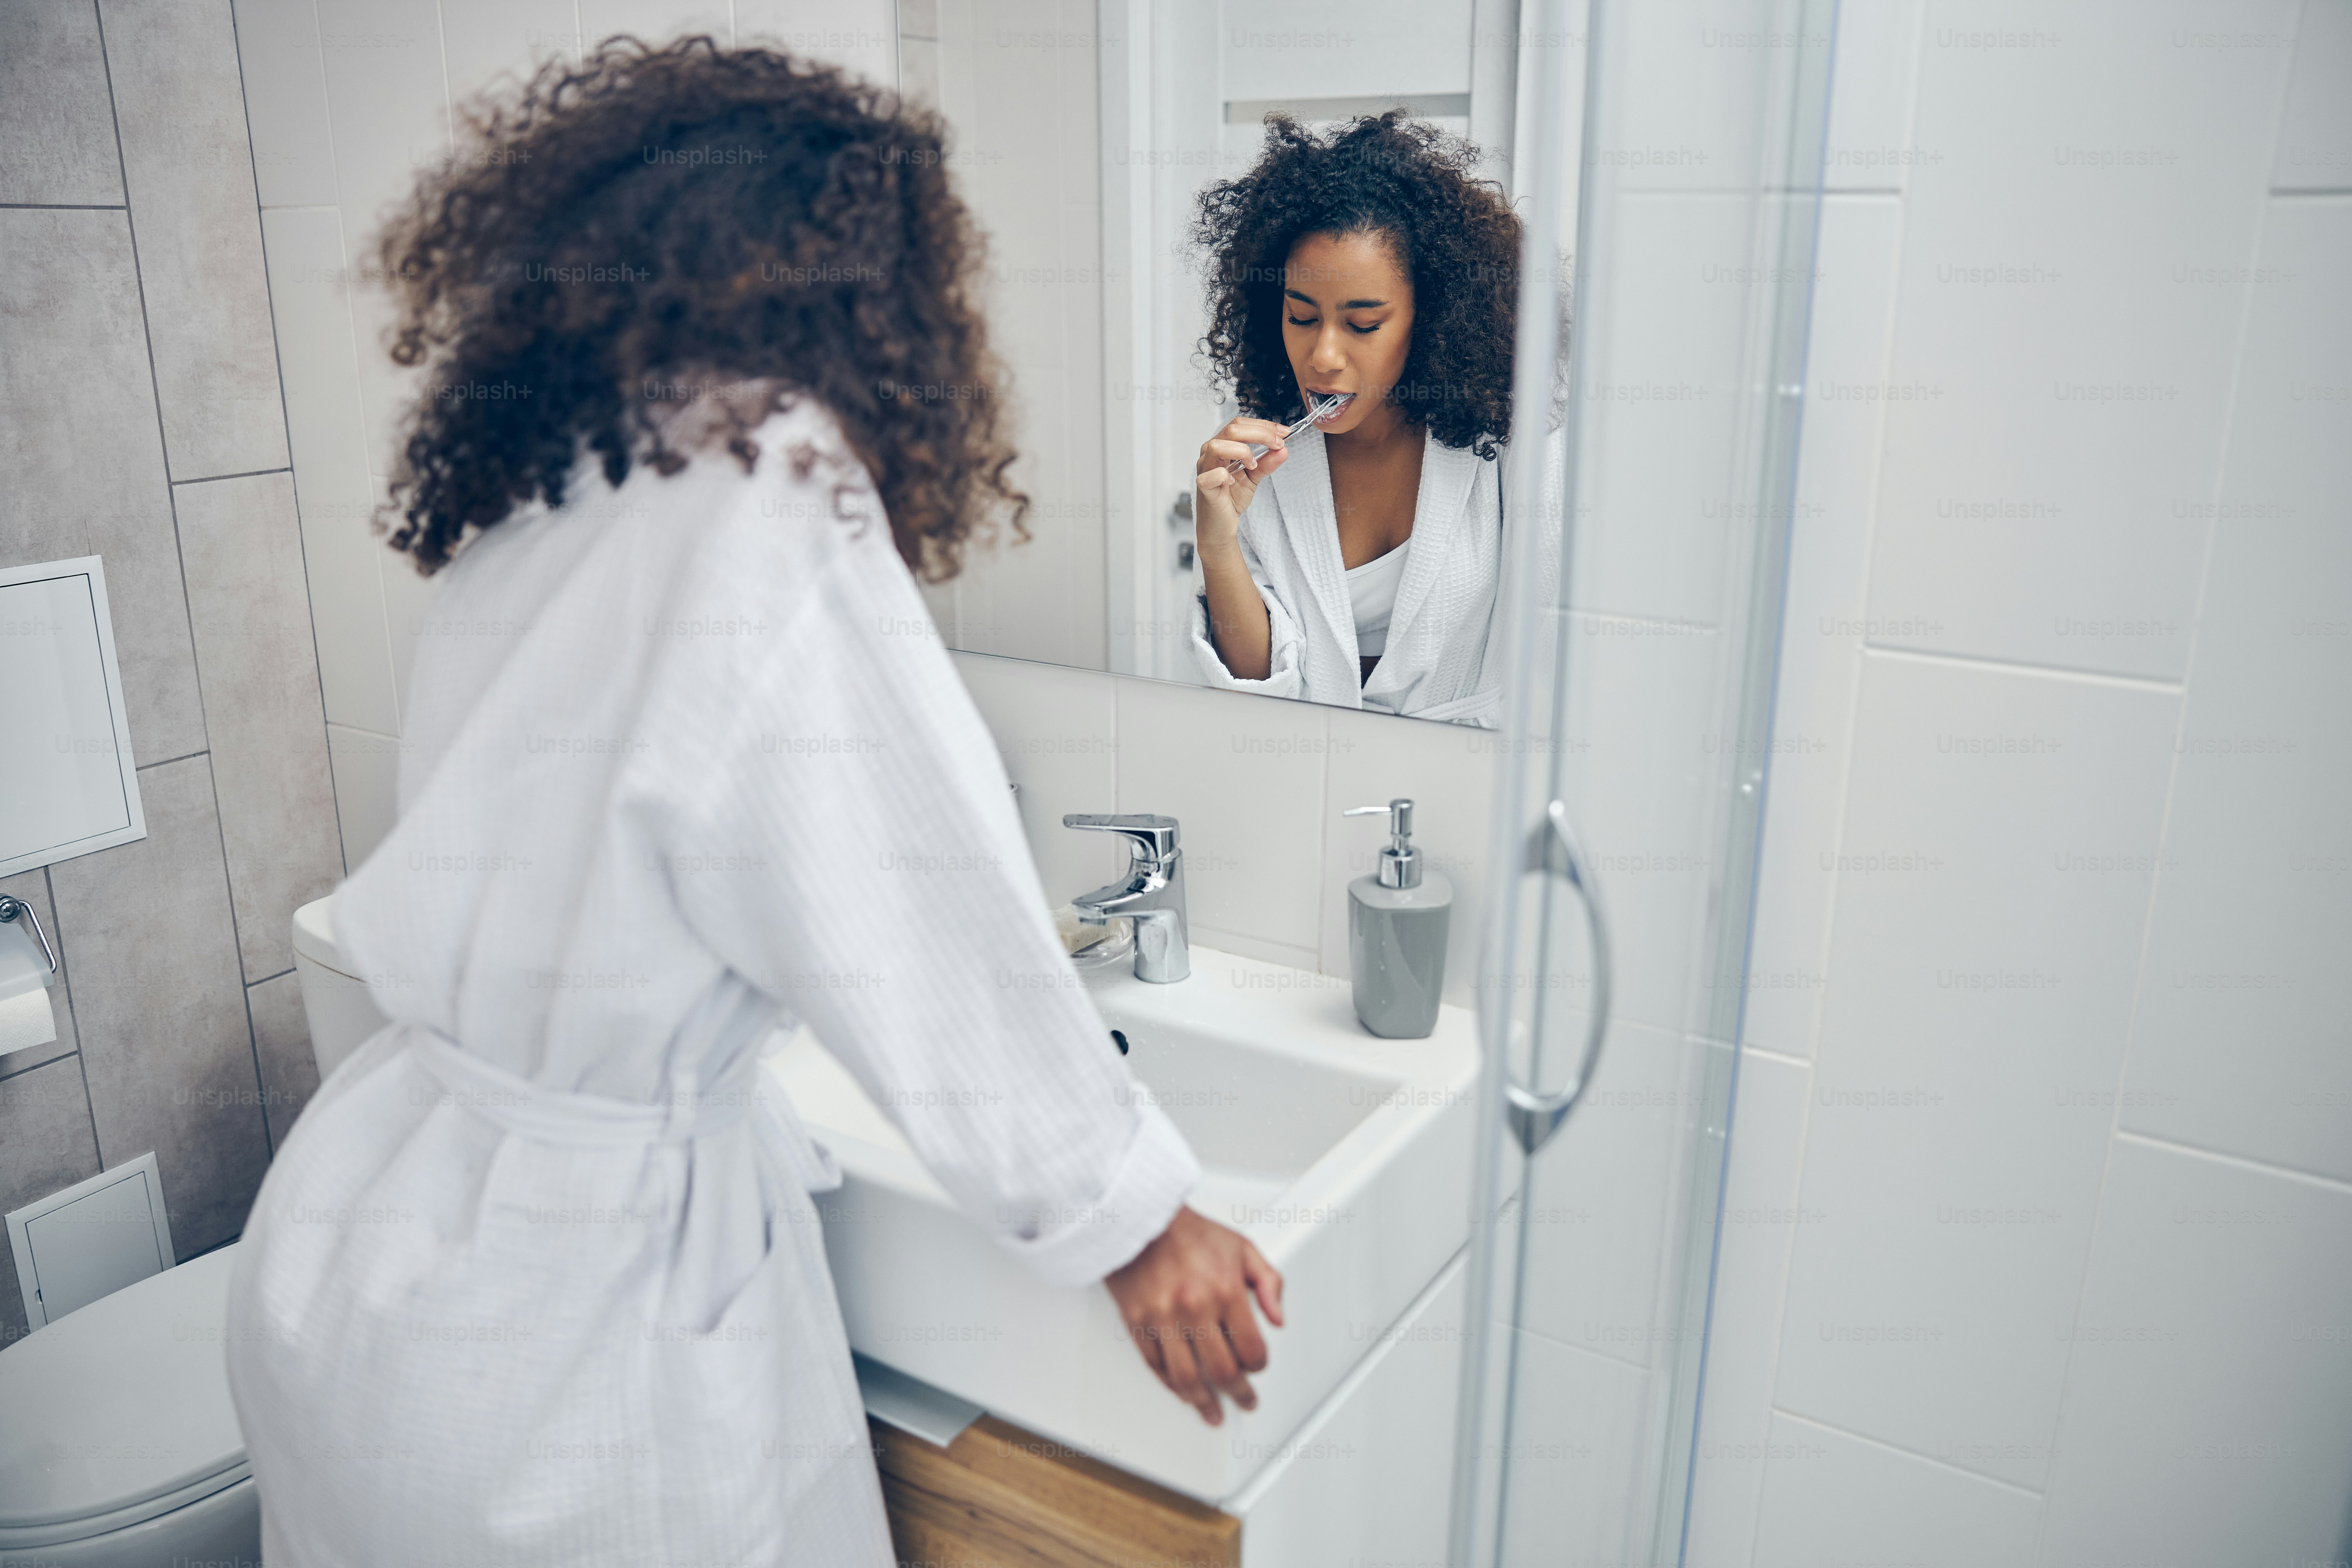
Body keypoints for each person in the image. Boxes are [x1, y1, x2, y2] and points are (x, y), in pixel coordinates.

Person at [224, 37, 1280, 1568]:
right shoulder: (765, 498)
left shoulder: (556, 481)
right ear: (867, 288)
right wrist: (1135, 1217)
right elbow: (912, 892)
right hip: (580, 1344)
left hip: (364, 1260)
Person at [1189, 111, 1544, 727]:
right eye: (1301, 317)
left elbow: (1561, 642)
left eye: (1363, 325)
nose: (1323, 356)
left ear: (1431, 316)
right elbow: (1257, 683)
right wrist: (1217, 547)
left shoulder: (1506, 439)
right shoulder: (1259, 455)